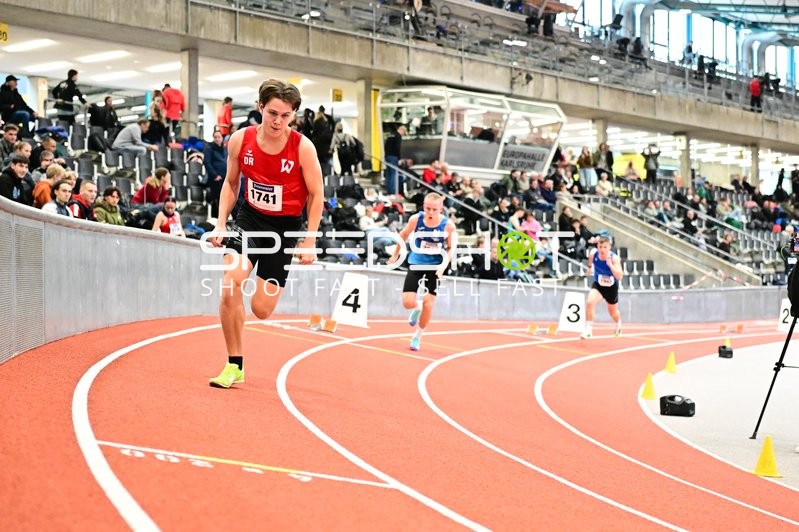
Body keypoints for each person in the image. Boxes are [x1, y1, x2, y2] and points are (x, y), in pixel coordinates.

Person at [207, 79, 324, 389]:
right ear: (260, 107)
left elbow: (317, 195)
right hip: (250, 218)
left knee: (261, 309)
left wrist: (308, 239)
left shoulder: (303, 148)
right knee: (231, 284)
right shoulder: (239, 140)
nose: (277, 121)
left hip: (285, 229)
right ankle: (234, 364)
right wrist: (221, 223)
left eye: (285, 116)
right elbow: (231, 184)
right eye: (272, 113)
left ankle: (254, 299)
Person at [387, 192, 456, 352]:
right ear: (423, 206)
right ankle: (417, 308)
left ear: (441, 209)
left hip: (436, 266)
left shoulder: (448, 226)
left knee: (429, 304)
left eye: (434, 209)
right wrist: (395, 254)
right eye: (427, 208)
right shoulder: (416, 219)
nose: (430, 212)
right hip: (417, 261)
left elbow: (452, 247)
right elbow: (403, 235)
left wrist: (443, 265)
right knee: (407, 302)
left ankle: (418, 336)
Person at [581, 236, 623, 339]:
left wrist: (610, 266)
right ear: (597, 246)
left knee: (612, 312)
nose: (602, 250)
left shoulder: (614, 258)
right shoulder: (593, 253)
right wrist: (590, 268)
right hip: (599, 285)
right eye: (600, 247)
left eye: (605, 247)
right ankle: (588, 330)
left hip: (611, 287)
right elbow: (590, 261)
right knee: (590, 302)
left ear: (609, 247)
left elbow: (620, 276)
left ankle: (618, 323)